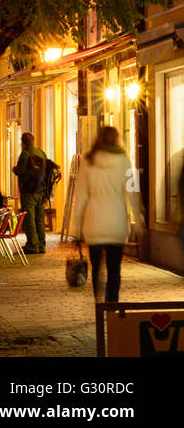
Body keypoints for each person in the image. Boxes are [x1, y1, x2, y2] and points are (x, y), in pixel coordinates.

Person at [70, 126, 141, 305]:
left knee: (96, 269)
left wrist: (77, 225)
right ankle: (112, 305)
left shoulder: (88, 161)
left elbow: (82, 197)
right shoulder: (124, 161)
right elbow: (132, 192)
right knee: (114, 268)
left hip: (94, 223)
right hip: (116, 222)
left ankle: (99, 305)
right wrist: (139, 217)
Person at [12, 132, 49, 254]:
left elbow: (20, 171)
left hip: (28, 192)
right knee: (40, 219)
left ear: (23, 143)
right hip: (41, 191)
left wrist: (15, 169)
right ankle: (42, 245)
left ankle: (33, 245)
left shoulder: (25, 154)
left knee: (30, 219)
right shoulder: (41, 153)